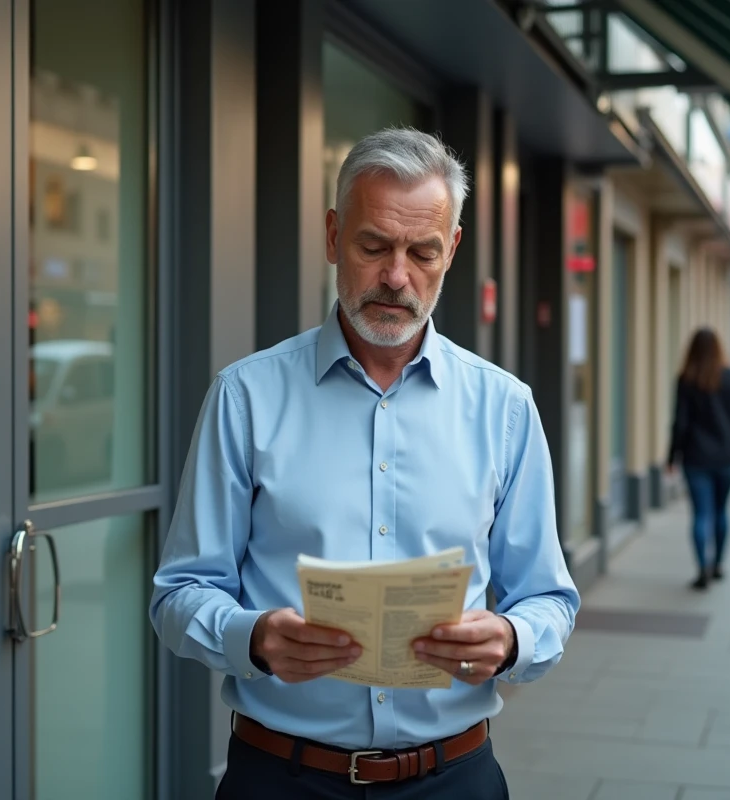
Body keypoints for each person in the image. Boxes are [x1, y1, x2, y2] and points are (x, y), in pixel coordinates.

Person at [150, 128, 579, 799]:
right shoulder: (246, 397)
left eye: (422, 252)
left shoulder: (505, 408)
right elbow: (177, 595)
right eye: (373, 245)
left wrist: (513, 639)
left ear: (452, 251)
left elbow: (548, 598)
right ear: (332, 237)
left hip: (455, 779)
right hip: (282, 778)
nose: (396, 277)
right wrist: (253, 637)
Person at [666, 328, 730, 590]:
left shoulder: (686, 379)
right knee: (721, 510)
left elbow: (679, 423)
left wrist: (672, 456)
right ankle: (717, 564)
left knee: (700, 514)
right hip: (729, 458)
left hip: (696, 458)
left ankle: (701, 568)